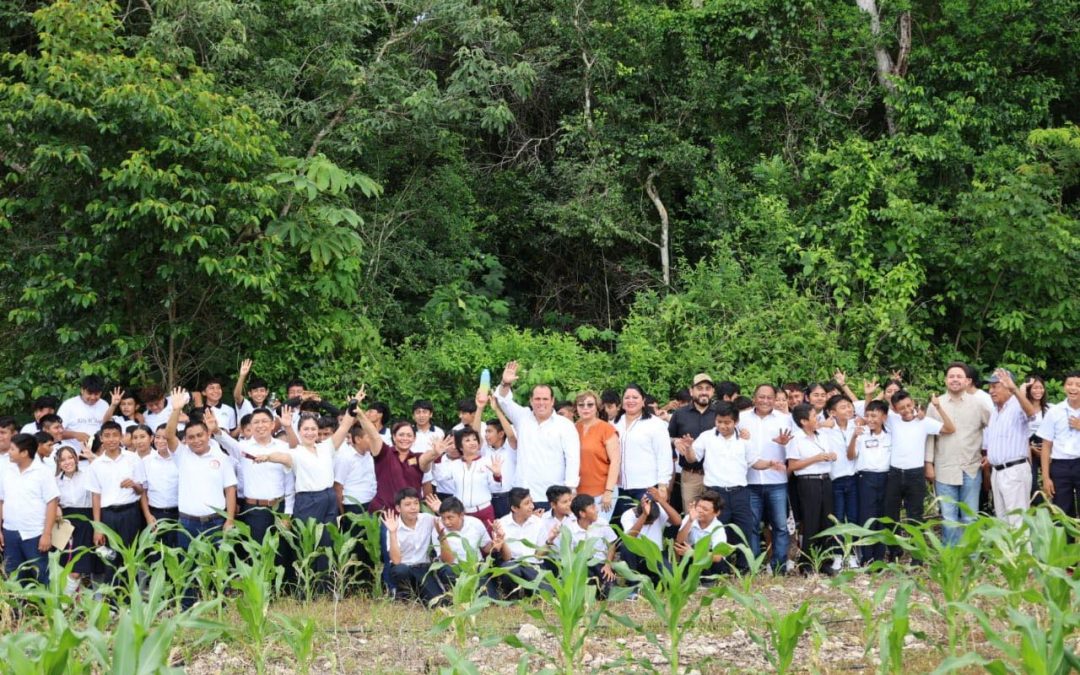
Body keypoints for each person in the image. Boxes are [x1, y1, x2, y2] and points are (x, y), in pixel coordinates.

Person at [681, 401, 785, 572]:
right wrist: (689, 447)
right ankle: (718, 568)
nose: (723, 426)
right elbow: (692, 459)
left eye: (727, 422)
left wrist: (770, 463)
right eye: (719, 422)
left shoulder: (744, 440)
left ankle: (744, 568)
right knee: (716, 531)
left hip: (739, 492)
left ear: (736, 422)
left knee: (744, 529)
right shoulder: (706, 437)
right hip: (714, 494)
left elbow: (754, 462)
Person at [494, 361, 580, 509]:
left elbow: (573, 458)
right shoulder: (522, 417)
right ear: (531, 401)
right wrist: (505, 383)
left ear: (552, 401)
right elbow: (503, 400)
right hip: (522, 494)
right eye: (537, 399)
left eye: (545, 399)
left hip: (552, 496)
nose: (541, 403)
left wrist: (570, 488)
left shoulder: (565, 425)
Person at [925, 362, 990, 546]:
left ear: (968, 381)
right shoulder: (935, 405)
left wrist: (991, 453)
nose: (955, 379)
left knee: (970, 516)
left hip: (971, 467)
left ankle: (971, 555)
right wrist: (928, 464)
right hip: (944, 469)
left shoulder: (979, 404)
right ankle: (951, 557)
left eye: (959, 376)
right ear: (945, 380)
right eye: (951, 376)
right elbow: (930, 436)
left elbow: (994, 427)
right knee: (948, 516)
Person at [885, 390, 954, 560]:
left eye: (909, 405)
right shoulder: (891, 419)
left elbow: (950, 428)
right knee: (891, 514)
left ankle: (917, 556)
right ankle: (894, 552)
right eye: (901, 408)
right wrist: (884, 397)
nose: (907, 410)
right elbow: (870, 412)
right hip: (894, 473)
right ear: (894, 409)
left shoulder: (924, 422)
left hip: (915, 475)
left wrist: (938, 408)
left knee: (915, 516)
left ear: (914, 403)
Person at [738, 384, 795, 573]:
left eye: (769, 397)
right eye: (761, 397)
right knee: (752, 526)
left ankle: (778, 566)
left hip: (777, 480)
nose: (765, 401)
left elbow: (796, 449)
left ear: (775, 398)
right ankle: (754, 566)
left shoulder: (786, 419)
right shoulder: (741, 418)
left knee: (780, 525)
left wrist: (785, 445)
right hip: (750, 480)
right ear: (754, 398)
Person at [88, 420, 147, 580]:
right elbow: (96, 496)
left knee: (130, 556)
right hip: (108, 516)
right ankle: (113, 601)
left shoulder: (133, 459)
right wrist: (98, 527)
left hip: (130, 513)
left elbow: (142, 490)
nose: (111, 439)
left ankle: (131, 599)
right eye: (107, 436)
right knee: (110, 558)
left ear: (121, 437)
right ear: (101, 438)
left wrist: (134, 484)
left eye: (115, 435)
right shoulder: (96, 465)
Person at [0, 433, 60, 585]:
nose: (9, 452)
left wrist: (46, 534)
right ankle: (19, 610)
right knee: (13, 578)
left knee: (42, 577)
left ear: (25, 453)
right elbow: (1, 501)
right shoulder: (7, 471)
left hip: (35, 534)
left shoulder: (43, 472)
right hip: (10, 533)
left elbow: (52, 503)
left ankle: (45, 609)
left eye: (13, 449)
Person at [786, 404, 836, 574]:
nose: (818, 419)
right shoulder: (796, 438)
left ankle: (825, 562)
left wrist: (832, 456)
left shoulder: (822, 435)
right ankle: (806, 563)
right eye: (814, 416)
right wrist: (815, 458)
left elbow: (827, 454)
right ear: (803, 421)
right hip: (808, 482)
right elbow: (793, 465)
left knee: (827, 521)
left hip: (825, 480)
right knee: (811, 522)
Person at [984, 369, 1037, 527]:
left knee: (1018, 522)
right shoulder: (995, 411)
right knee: (1003, 522)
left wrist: (1015, 390)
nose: (991, 391)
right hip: (997, 472)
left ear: (1008, 386)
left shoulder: (1017, 405)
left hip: (1014, 471)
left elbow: (1031, 413)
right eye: (990, 387)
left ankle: (1023, 553)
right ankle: (1008, 553)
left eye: (995, 386)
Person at [612, 384, 671, 521]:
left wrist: (663, 485)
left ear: (643, 401)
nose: (630, 400)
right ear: (622, 402)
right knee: (622, 527)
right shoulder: (613, 424)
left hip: (646, 487)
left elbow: (663, 455)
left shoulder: (655, 424)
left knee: (645, 525)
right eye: (627, 397)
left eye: (635, 397)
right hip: (619, 488)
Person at [354, 400, 426, 513]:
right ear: (393, 436)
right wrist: (360, 414)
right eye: (401, 435)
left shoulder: (417, 457)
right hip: (384, 513)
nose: (405, 438)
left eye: (409, 435)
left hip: (410, 514)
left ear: (414, 439)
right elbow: (374, 435)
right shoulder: (385, 453)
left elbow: (427, 458)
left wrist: (435, 452)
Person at [424, 428, 502, 529]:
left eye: (475, 439)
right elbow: (440, 476)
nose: (472, 443)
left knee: (488, 543)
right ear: (460, 446)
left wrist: (497, 475)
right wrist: (437, 456)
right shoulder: (454, 465)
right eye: (467, 440)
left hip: (484, 511)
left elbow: (496, 488)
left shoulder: (488, 462)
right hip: (461, 513)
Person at [430, 495, 498, 599]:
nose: (446, 522)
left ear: (461, 515)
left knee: (490, 599)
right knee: (447, 571)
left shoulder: (475, 523)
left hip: (475, 566)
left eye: (450, 517)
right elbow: (448, 561)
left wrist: (495, 544)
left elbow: (486, 548)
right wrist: (442, 537)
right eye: (443, 518)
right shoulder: (438, 528)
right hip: (454, 568)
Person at [849, 400, 892, 564]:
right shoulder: (861, 433)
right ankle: (867, 557)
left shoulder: (890, 435)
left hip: (886, 478)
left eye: (874, 415)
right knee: (867, 517)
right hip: (866, 479)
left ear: (884, 417)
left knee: (882, 517)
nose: (870, 419)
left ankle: (880, 556)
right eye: (867, 415)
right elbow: (851, 455)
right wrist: (854, 437)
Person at [668, 373, 717, 511]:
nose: (704, 392)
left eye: (708, 388)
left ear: (712, 392)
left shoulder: (720, 413)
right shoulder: (680, 413)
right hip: (690, 475)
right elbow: (667, 437)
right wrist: (675, 441)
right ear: (691, 391)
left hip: (715, 476)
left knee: (714, 517)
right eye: (699, 388)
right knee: (691, 516)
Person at [821, 394, 859, 569]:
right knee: (836, 518)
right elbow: (805, 428)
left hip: (854, 478)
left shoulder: (857, 425)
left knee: (852, 517)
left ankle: (851, 554)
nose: (848, 409)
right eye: (843, 407)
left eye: (849, 406)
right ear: (832, 412)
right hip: (834, 479)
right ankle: (837, 553)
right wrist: (822, 424)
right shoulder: (826, 429)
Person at [383, 488, 441, 604]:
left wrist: (440, 511)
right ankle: (404, 595)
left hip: (423, 568)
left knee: (437, 602)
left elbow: (446, 523)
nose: (413, 507)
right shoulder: (394, 525)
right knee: (400, 570)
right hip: (405, 568)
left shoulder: (427, 519)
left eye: (416, 503)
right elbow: (396, 560)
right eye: (408, 504)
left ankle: (418, 593)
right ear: (398, 508)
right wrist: (393, 532)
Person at [1037, 370, 1080, 519]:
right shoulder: (1054, 412)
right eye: (1069, 384)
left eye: (1077, 385)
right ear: (1064, 387)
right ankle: (1064, 543)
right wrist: (1046, 477)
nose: (1073, 388)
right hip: (1060, 466)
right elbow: (1046, 446)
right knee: (1062, 511)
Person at [574, 390, 620, 524]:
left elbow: (615, 462)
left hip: (602, 492)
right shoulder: (572, 428)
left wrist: (608, 491)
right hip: (579, 493)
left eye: (590, 405)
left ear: (597, 407)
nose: (585, 408)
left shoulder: (607, 429)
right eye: (581, 405)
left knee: (598, 534)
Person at [493, 487, 548, 596]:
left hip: (534, 565)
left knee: (547, 595)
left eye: (531, 501)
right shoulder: (501, 524)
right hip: (513, 564)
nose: (532, 506)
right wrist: (502, 540)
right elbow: (507, 558)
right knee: (509, 568)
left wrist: (549, 541)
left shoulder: (539, 523)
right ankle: (512, 597)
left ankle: (531, 593)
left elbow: (538, 557)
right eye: (527, 503)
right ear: (514, 508)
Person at [55, 445, 94, 594]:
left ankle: (64, 603)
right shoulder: (55, 480)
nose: (67, 462)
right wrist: (57, 507)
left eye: (70, 457)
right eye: (62, 460)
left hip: (85, 521)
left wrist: (91, 458)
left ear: (77, 459)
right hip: (64, 523)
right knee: (66, 565)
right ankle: (71, 602)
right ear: (58, 463)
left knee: (78, 568)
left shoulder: (87, 474)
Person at [619, 487, 682, 578]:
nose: (652, 523)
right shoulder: (628, 515)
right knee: (625, 546)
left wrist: (660, 500)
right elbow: (630, 538)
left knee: (672, 576)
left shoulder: (658, 509)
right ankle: (634, 584)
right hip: (637, 555)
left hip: (655, 555)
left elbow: (678, 521)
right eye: (649, 522)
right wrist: (644, 515)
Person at [564, 493, 617, 597]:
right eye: (592, 507)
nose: (597, 510)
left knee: (610, 592)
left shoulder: (602, 523)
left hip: (601, 564)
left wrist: (608, 565)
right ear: (582, 514)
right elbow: (568, 556)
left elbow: (612, 544)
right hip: (581, 567)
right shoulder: (569, 529)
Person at [137, 423, 180, 548]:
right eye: (157, 437)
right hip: (155, 514)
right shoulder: (146, 461)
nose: (160, 441)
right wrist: (148, 516)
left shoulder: (181, 459)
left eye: (165, 438)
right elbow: (143, 492)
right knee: (156, 554)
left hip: (178, 514)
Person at [674, 490, 727, 576]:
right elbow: (679, 541)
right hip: (690, 558)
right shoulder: (689, 517)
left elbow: (718, 557)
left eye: (705, 509)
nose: (700, 511)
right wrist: (690, 521)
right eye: (698, 507)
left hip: (708, 563)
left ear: (716, 513)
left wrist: (693, 553)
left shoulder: (718, 528)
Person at [57, 375, 110, 444]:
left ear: (101, 393)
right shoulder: (68, 405)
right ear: (82, 390)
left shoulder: (104, 405)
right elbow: (56, 432)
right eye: (89, 393)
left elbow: (108, 427)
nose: (93, 397)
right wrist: (75, 435)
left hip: (98, 451)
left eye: (96, 394)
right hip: (71, 451)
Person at [1026, 376, 1050, 501]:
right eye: (1035, 388)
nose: (1038, 391)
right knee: (1032, 481)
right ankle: (1038, 506)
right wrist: (1030, 448)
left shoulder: (1050, 409)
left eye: (1041, 388)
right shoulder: (1022, 409)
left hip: (1046, 448)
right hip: (1027, 449)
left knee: (1053, 479)